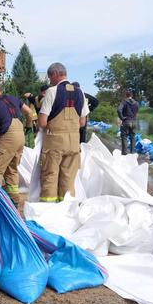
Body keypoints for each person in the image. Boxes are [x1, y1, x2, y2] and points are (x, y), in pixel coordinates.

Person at [38, 62, 86, 202]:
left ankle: (48, 208)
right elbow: (82, 122)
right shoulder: (80, 92)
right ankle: (66, 209)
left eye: (49, 77)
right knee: (68, 177)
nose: (50, 81)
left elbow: (42, 122)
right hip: (73, 142)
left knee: (50, 175)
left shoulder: (52, 91)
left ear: (55, 74)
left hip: (55, 142)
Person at [0, 80, 33, 203]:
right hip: (20, 134)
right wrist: (28, 126)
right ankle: (14, 201)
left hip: (8, 136)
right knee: (12, 170)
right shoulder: (13, 98)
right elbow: (29, 112)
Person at [117, 91, 139, 155]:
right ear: (132, 95)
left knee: (124, 137)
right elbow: (136, 112)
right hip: (134, 122)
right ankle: (132, 153)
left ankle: (124, 154)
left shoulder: (124, 102)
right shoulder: (136, 103)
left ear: (126, 95)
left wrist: (122, 117)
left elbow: (119, 110)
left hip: (126, 121)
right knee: (132, 137)